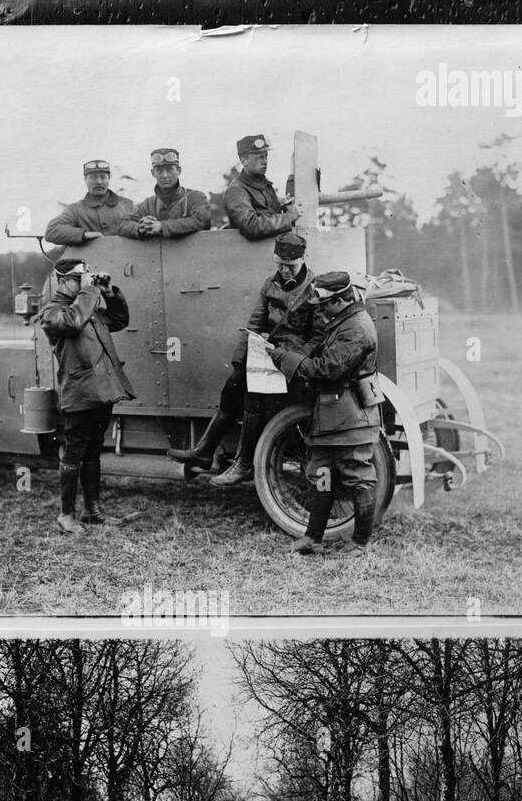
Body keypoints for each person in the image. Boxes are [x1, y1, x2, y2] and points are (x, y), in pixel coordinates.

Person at [167, 231, 314, 482]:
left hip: (290, 360)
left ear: (303, 259)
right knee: (233, 385)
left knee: (253, 397)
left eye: (289, 266)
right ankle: (205, 451)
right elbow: (254, 324)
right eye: (280, 265)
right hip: (265, 353)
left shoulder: (312, 288)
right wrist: (240, 362)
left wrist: (291, 356)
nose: (285, 271)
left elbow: (317, 336)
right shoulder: (270, 284)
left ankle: (244, 464)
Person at [264, 270, 384, 558]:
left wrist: (282, 357)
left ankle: (360, 545)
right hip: (333, 416)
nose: (322, 311)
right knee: (321, 474)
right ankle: (313, 539)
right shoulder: (344, 321)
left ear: (340, 301)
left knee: (359, 478)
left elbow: (327, 370)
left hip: (350, 418)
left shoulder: (355, 329)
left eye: (325, 305)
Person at [37, 260, 136, 534]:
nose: (85, 282)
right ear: (65, 281)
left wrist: (108, 292)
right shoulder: (52, 313)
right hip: (79, 392)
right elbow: (73, 322)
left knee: (93, 450)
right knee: (75, 451)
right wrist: (90, 292)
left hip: (101, 391)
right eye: (80, 278)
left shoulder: (87, 304)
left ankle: (92, 511)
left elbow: (118, 320)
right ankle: (66, 515)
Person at [118, 148, 211, 240]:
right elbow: (123, 224)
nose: (165, 175)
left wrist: (162, 227)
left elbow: (202, 220)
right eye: (159, 170)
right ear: (153, 173)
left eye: (169, 169)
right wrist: (139, 228)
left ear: (179, 170)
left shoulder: (195, 197)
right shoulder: (148, 204)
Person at [222, 134, 302, 241]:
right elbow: (251, 226)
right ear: (243, 160)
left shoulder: (265, 186)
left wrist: (284, 208)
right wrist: (288, 217)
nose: (265, 161)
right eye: (259, 157)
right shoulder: (237, 190)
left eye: (266, 156)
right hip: (251, 254)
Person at [44, 159, 135, 246]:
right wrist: (85, 235)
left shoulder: (127, 205)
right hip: (90, 260)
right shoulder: (76, 209)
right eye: (93, 177)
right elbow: (51, 231)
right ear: (85, 180)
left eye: (103, 177)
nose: (99, 182)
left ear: (109, 179)